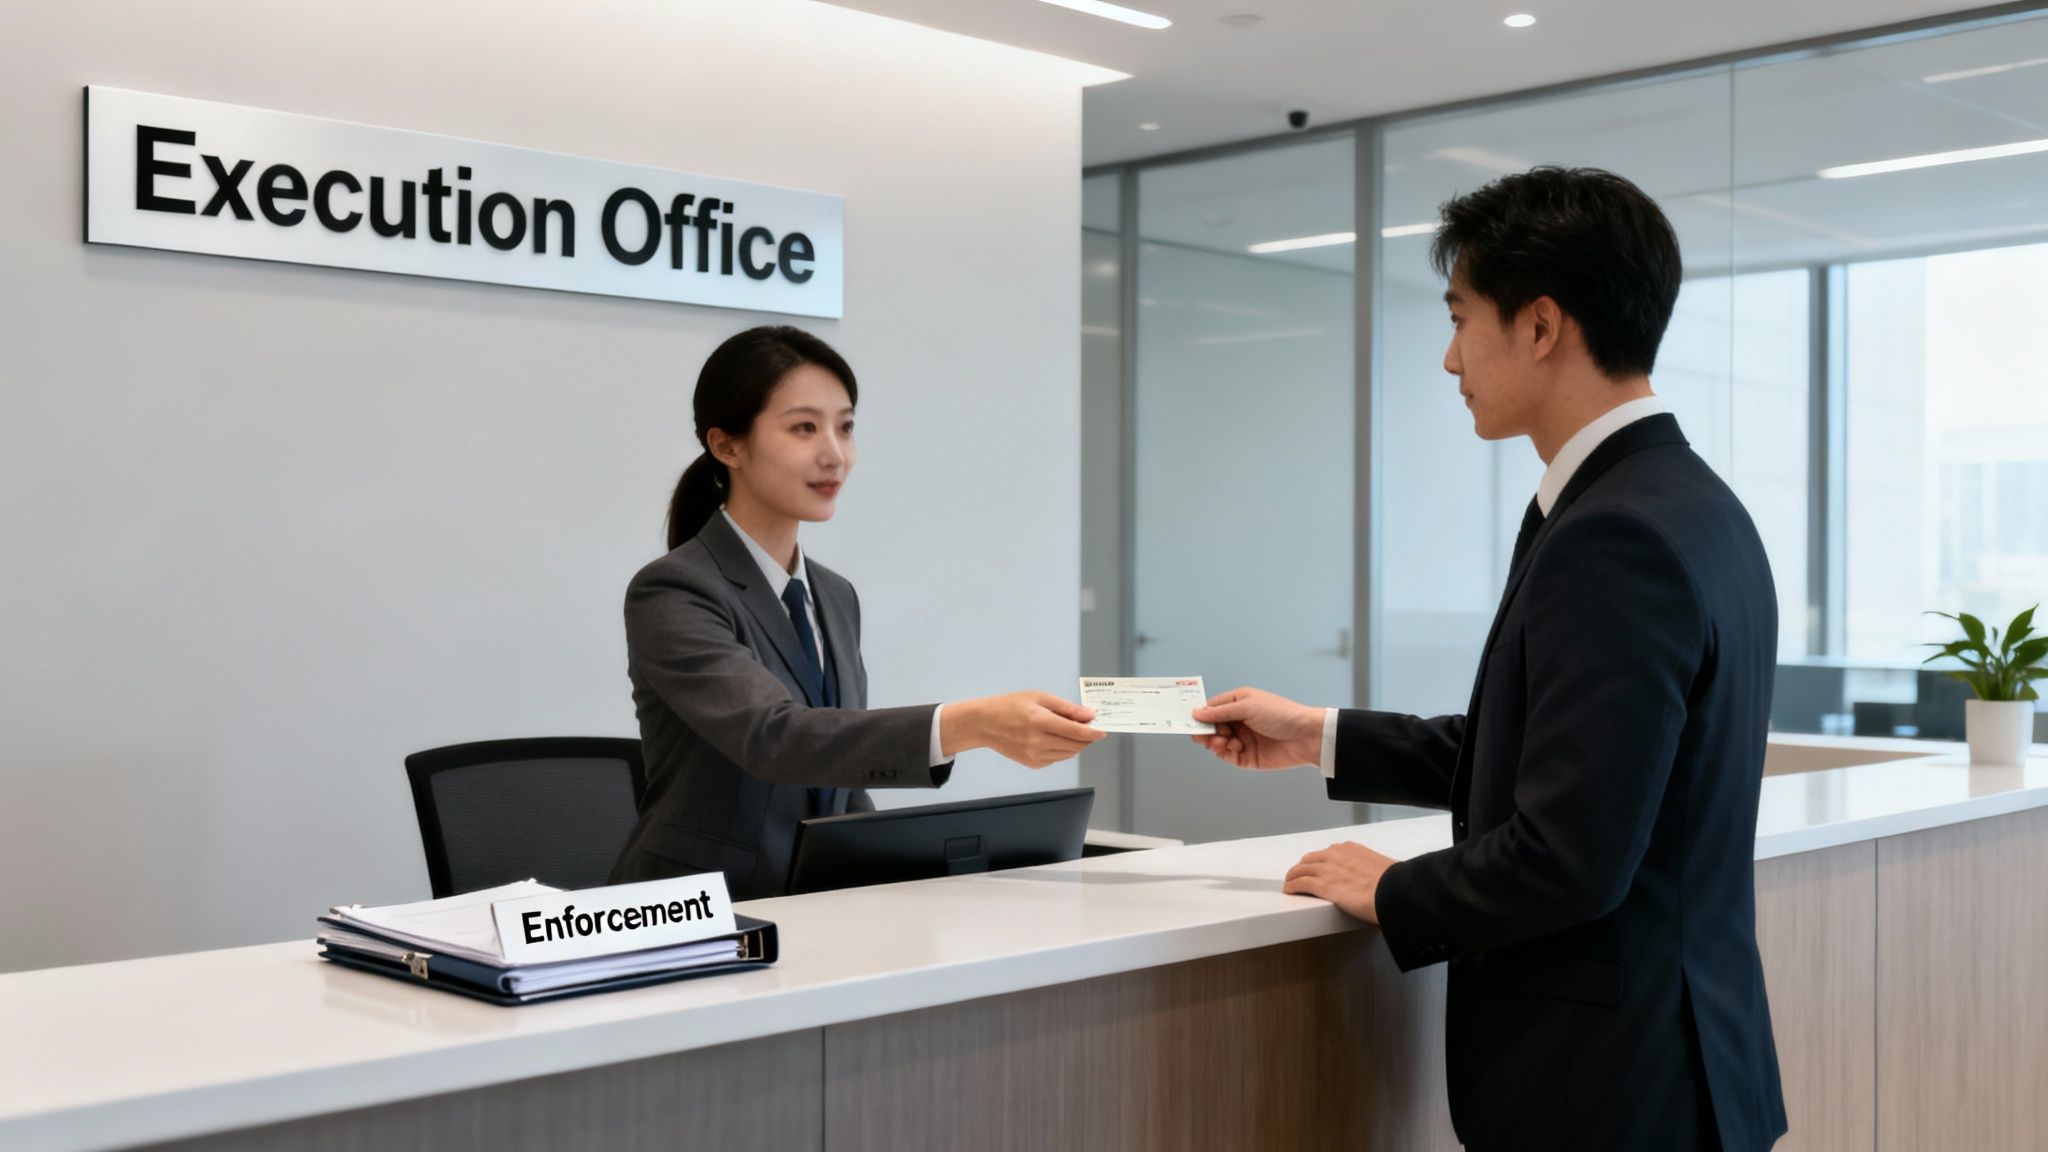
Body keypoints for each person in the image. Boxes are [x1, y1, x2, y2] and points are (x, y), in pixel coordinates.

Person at [1190, 168, 1787, 1151]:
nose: (1447, 356)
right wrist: (1319, 735)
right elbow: (1565, 753)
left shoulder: (1614, 534)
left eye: (1460, 316)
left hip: (1611, 1095)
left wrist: (1390, 888)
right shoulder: (1681, 502)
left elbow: (1569, 858)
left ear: (1540, 325)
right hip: (1672, 1070)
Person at [610, 325, 1105, 898]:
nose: (834, 454)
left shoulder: (835, 595)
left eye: (845, 427)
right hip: (697, 912)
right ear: (727, 446)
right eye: (803, 428)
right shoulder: (674, 590)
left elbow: (842, 774)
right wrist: (973, 724)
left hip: (819, 904)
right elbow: (775, 739)